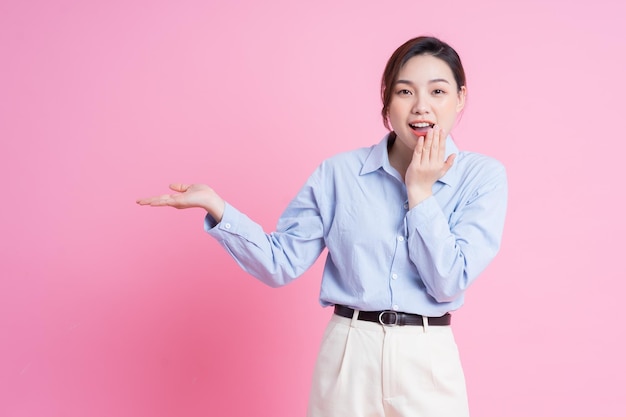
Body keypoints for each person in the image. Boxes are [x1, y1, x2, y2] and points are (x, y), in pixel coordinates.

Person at [137, 36, 508, 417]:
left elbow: (447, 281)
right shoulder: (338, 174)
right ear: (387, 98)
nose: (421, 106)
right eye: (405, 91)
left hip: (429, 356)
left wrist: (420, 192)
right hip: (350, 352)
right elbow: (281, 263)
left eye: (438, 91)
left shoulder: (482, 178)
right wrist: (218, 207)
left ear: (460, 98)